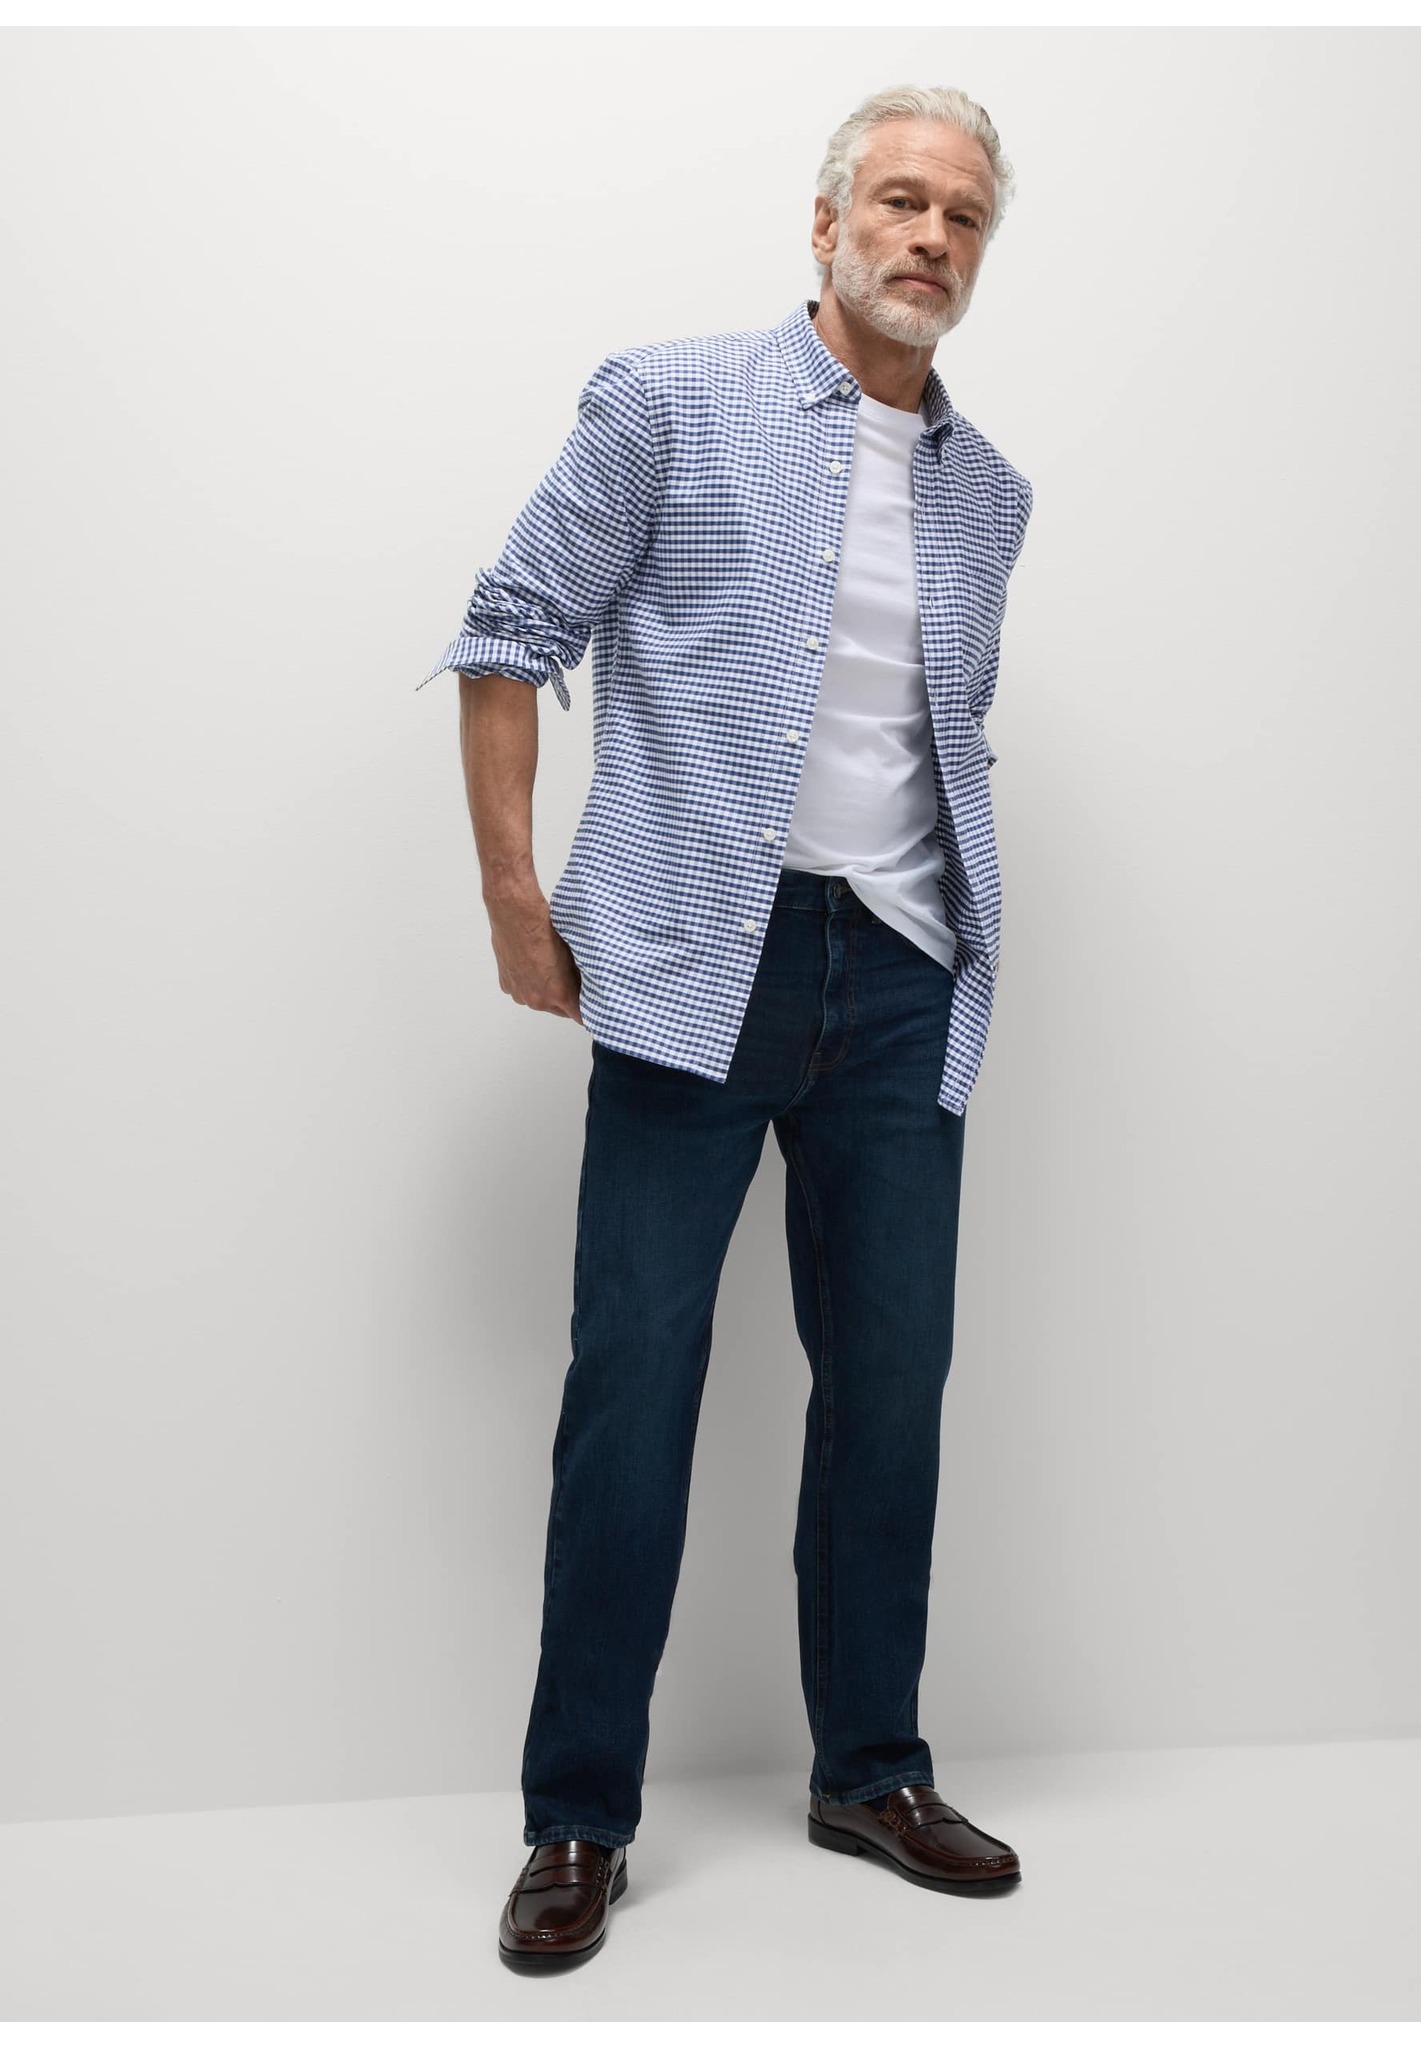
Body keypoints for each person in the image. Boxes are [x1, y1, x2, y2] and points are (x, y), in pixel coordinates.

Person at [419, 83, 1035, 1972]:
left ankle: (872, 1770)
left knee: (891, 1395)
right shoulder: (671, 403)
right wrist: (517, 901)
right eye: (900, 201)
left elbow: (930, 740)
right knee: (636, 1386)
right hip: (698, 961)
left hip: (901, 974)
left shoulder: (993, 494)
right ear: (827, 221)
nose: (929, 237)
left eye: (963, 217)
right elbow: (509, 631)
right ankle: (577, 1817)